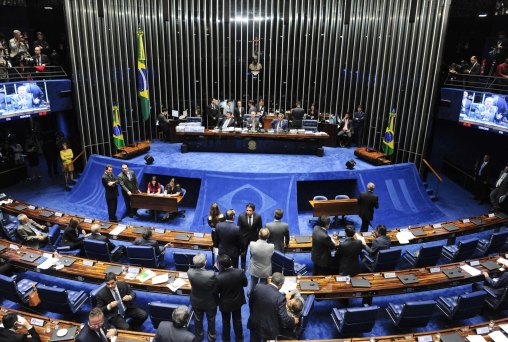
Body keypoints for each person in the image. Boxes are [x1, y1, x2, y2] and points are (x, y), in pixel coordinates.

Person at [247, 272, 297, 341]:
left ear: (271, 280)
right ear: (280, 284)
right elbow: (284, 319)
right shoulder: (280, 298)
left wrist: (253, 314)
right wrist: (293, 320)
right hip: (269, 329)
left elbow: (250, 302)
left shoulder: (258, 287)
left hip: (254, 322)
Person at [216, 254, 247, 342]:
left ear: (221, 266)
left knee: (225, 321)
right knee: (237, 320)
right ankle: (239, 338)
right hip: (237, 301)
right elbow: (245, 284)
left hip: (225, 303)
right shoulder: (240, 272)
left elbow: (216, 292)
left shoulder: (218, 278)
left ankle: (226, 339)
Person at [187, 253, 218, 342]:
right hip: (210, 301)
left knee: (198, 318)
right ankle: (211, 336)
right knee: (211, 319)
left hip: (196, 300)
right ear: (205, 262)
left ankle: (199, 336)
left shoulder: (190, 272)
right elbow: (216, 288)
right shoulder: (211, 274)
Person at [248, 228, 274, 295]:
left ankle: (250, 295)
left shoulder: (252, 244)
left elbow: (251, 254)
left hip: (254, 269)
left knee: (253, 283)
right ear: (268, 236)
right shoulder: (271, 246)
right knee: (263, 285)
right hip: (265, 270)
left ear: (259, 234)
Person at [237, 203, 263, 270]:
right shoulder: (241, 216)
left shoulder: (258, 216)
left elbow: (260, 228)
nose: (248, 212)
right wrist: (239, 239)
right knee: (243, 254)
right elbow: (238, 229)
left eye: (250, 210)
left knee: (253, 254)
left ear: (253, 211)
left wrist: (260, 239)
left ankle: (253, 267)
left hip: (254, 238)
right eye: (247, 210)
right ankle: (243, 268)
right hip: (243, 239)